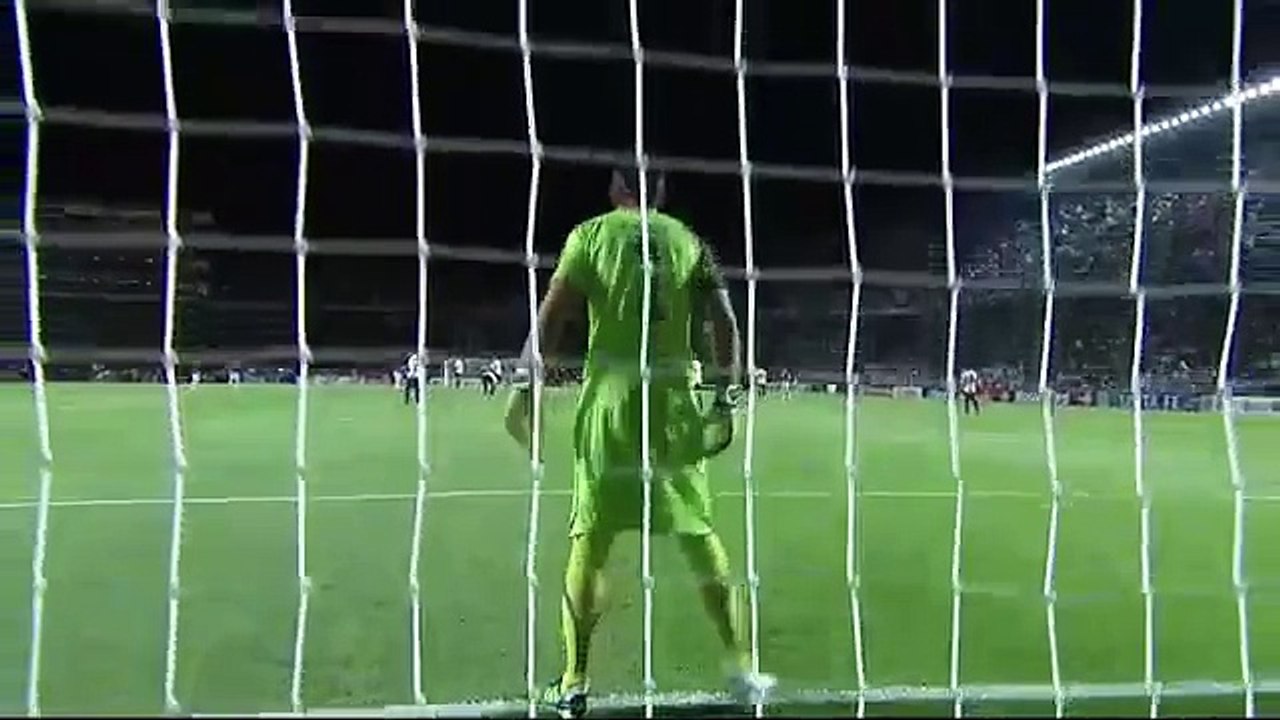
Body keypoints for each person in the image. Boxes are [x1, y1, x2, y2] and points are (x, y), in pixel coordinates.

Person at [504, 168, 775, 718]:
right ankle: (743, 670)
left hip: (610, 403)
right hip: (673, 406)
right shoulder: (690, 243)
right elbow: (725, 322)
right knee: (701, 537)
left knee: (591, 543)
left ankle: (575, 679)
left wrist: (522, 389)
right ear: (663, 195)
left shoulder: (589, 236)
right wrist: (725, 399)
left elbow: (551, 317)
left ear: (615, 191)